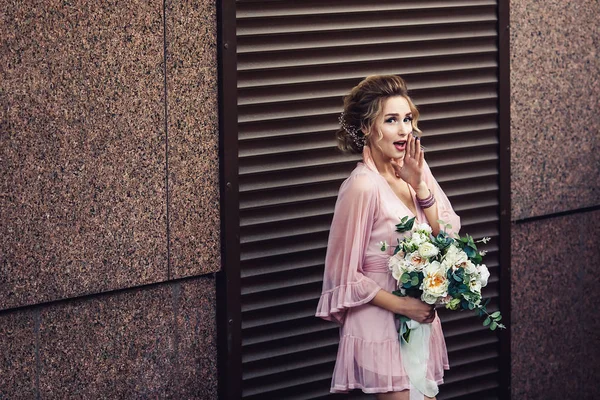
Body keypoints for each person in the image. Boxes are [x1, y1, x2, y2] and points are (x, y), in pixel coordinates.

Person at [315, 75, 461, 400]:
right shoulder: (361, 186)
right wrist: (404, 306)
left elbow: (448, 237)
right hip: (382, 324)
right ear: (367, 128)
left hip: (418, 322)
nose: (404, 129)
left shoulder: (418, 170)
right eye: (391, 120)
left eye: (407, 119)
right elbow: (343, 275)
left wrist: (421, 188)